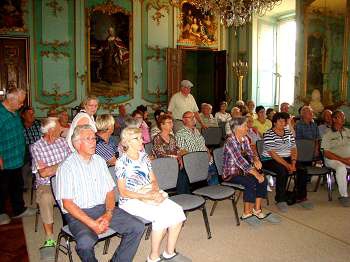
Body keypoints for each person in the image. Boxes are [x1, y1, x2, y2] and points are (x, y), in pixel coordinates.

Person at [55, 125, 144, 262]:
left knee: (137, 227)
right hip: (78, 214)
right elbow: (67, 204)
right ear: (77, 144)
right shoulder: (66, 167)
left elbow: (109, 192)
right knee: (85, 243)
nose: (93, 142)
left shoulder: (99, 161)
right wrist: (92, 224)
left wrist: (108, 214)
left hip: (102, 208)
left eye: (94, 138)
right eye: (88, 139)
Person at [116, 127, 189, 262]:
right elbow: (123, 192)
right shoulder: (121, 162)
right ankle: (153, 257)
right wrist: (146, 196)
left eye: (141, 138)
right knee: (161, 217)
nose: (142, 141)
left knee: (178, 212)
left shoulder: (144, 157)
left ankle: (169, 253)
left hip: (149, 193)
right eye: (136, 139)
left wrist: (154, 192)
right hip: (131, 199)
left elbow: (154, 179)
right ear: (126, 142)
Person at [223, 117, 280, 226]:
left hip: (244, 170)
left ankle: (257, 210)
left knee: (263, 180)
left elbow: (250, 153)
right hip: (231, 173)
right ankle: (246, 213)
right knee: (251, 181)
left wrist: (256, 159)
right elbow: (240, 162)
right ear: (237, 128)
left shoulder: (244, 139)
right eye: (245, 126)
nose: (247, 127)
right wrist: (256, 174)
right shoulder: (230, 141)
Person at [31, 117, 71, 250]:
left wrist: (52, 168)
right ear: (51, 130)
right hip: (46, 184)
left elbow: (73, 161)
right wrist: (62, 164)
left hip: (65, 179)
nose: (62, 128)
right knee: (45, 197)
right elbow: (43, 174)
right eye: (59, 126)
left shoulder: (63, 142)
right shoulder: (36, 147)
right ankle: (49, 237)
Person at [261, 112, 312, 212]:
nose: (283, 123)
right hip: (270, 160)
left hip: (287, 157)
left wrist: (293, 163)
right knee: (282, 170)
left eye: (284, 121)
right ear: (274, 123)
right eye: (280, 121)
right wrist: (288, 165)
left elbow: (293, 149)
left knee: (302, 169)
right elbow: (273, 154)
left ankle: (301, 197)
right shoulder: (269, 134)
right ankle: (280, 199)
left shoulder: (288, 133)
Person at [0, 87, 36, 225]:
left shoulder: (14, 112)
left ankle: (19, 209)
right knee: (2, 187)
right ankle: (1, 212)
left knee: (17, 185)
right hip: (5, 159)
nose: (22, 105)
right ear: (10, 100)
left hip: (16, 158)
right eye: (20, 102)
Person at [152, 114, 190, 194]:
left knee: (186, 171)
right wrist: (177, 158)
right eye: (169, 122)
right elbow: (160, 154)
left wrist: (182, 156)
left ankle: (186, 196)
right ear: (162, 125)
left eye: (172, 122)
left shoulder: (172, 137)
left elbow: (177, 149)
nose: (172, 124)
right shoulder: (157, 138)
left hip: (175, 163)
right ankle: (182, 197)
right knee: (182, 176)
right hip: (164, 164)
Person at [322, 111, 350, 207]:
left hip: (348, 159)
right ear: (334, 119)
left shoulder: (348, 131)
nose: (343, 119)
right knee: (341, 168)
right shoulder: (328, 134)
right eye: (340, 117)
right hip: (332, 160)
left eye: (343, 117)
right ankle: (344, 196)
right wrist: (343, 160)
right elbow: (326, 153)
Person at [21, 106, 42, 191]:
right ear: (23, 115)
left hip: (39, 149)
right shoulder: (20, 126)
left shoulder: (38, 123)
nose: (32, 116)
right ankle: (24, 184)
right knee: (25, 159)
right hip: (25, 150)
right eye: (29, 114)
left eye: (33, 114)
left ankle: (38, 181)